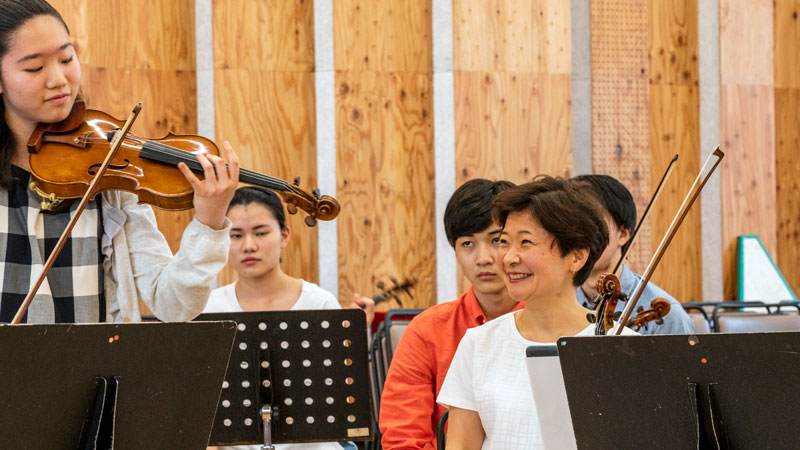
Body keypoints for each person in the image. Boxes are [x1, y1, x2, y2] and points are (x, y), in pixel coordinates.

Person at [0, 0, 238, 323]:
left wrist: (209, 223)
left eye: (67, 58)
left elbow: (173, 303)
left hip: (94, 371)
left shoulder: (107, 176)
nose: (59, 79)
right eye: (34, 68)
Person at [437, 176, 636, 450]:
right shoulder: (477, 343)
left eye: (526, 242)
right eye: (505, 241)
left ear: (577, 256)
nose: (508, 258)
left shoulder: (625, 347)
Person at [204, 186, 372, 450]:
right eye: (235, 235)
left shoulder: (320, 303)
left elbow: (345, 401)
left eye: (261, 232)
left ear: (284, 236)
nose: (249, 245)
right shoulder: (209, 309)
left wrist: (356, 339)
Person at [378, 178, 521, 450]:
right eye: (467, 244)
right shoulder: (426, 331)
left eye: (496, 240)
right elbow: (403, 439)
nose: (483, 258)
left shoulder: (551, 327)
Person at [573, 174, 693, 334]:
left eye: (592, 224)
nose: (578, 236)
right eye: (572, 225)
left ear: (622, 234)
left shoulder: (667, 317)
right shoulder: (554, 305)